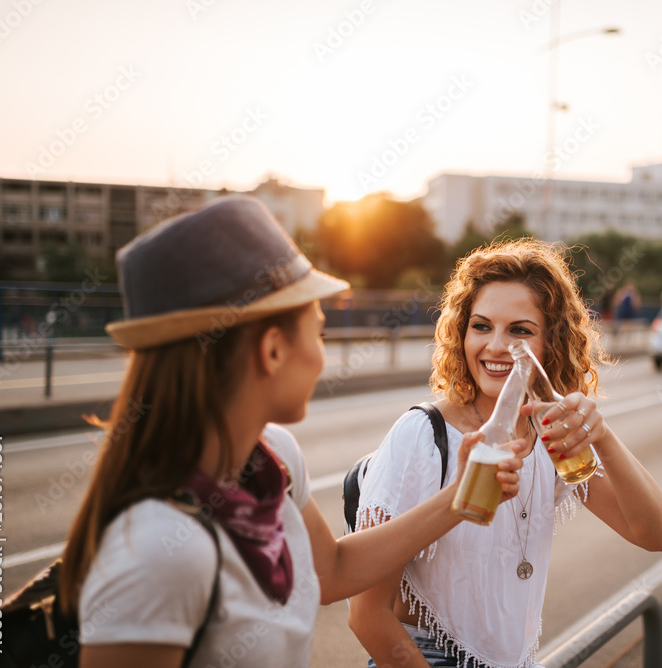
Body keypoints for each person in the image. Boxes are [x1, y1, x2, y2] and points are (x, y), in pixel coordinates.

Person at [58, 196, 523, 668]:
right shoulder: (157, 554)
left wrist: (460, 497)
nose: (322, 356)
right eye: (318, 332)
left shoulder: (273, 456)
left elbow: (334, 571)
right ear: (273, 351)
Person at [349, 238, 662, 668]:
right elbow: (366, 616)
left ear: (551, 344)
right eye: (481, 326)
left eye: (519, 331)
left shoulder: (552, 437)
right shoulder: (423, 435)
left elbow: (654, 535)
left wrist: (603, 437)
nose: (497, 346)